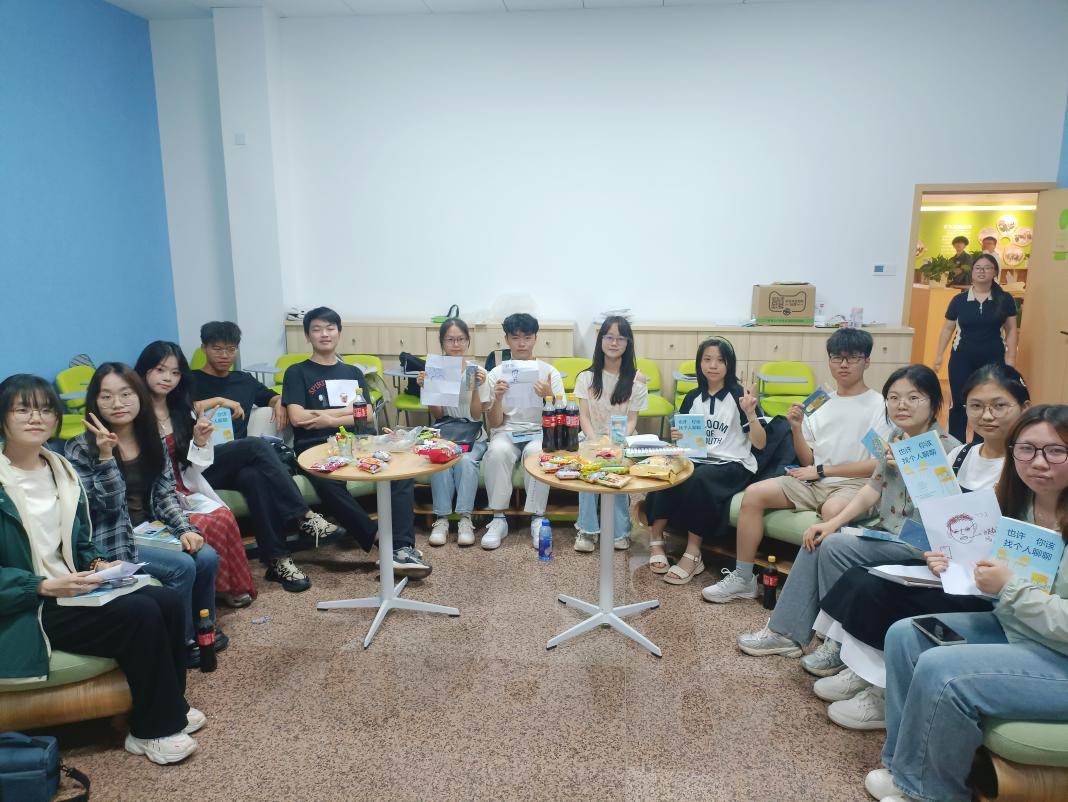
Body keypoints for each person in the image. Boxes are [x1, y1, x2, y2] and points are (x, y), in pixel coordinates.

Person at [863, 403, 1068, 802]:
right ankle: (905, 769)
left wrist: (1008, 588)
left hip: (1059, 654)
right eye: (1026, 449)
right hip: (1023, 631)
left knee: (943, 669)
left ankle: (929, 793)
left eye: (1056, 450)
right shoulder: (1018, 505)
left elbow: (1021, 594)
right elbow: (992, 576)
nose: (1038, 462)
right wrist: (953, 564)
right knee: (907, 635)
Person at [811, 364, 1030, 732]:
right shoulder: (962, 457)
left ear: (1023, 407)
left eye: (999, 405)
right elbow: (938, 519)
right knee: (863, 578)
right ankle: (861, 670)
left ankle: (882, 690)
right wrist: (935, 549)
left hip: (987, 585)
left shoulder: (1024, 466)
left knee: (878, 590)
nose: (987, 415)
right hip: (946, 568)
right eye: (977, 406)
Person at [0, 374, 203, 765]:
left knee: (164, 600)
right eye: (22, 409)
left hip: (72, 586)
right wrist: (41, 586)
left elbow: (78, 539)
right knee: (139, 614)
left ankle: (169, 705)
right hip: (28, 602)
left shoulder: (59, 469)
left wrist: (99, 562)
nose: (36, 418)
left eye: (45, 409)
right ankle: (152, 730)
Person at [736, 365, 959, 665]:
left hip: (922, 545)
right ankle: (786, 633)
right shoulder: (897, 437)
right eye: (894, 398)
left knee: (834, 546)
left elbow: (948, 519)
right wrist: (831, 524)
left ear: (933, 402)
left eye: (913, 397)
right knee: (819, 537)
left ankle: (838, 643)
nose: (902, 405)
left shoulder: (948, 450)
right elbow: (872, 489)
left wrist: (915, 472)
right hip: (887, 533)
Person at [703, 328, 890, 603]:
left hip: (854, 484)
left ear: (867, 361)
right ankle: (743, 578)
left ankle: (823, 593)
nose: (844, 364)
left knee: (833, 510)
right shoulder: (820, 402)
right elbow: (807, 461)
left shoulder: (877, 405)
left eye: (852, 358)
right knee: (754, 494)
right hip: (814, 479)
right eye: (837, 357)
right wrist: (796, 428)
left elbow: (877, 464)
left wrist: (823, 471)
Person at [65, 364, 226, 669]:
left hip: (150, 530)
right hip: (110, 539)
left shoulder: (151, 437)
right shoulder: (79, 447)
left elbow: (165, 493)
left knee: (206, 556)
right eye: (106, 396)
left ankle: (203, 627)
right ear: (94, 402)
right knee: (181, 567)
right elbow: (105, 506)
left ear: (139, 396)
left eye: (126, 394)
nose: (117, 403)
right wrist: (105, 456)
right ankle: (180, 642)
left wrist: (184, 529)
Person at [190, 320, 343, 593]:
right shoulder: (190, 380)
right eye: (217, 349)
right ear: (204, 348)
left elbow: (272, 396)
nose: (225, 355)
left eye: (231, 349)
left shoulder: (244, 380)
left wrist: (278, 403)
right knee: (255, 446)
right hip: (200, 462)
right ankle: (304, 516)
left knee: (254, 477)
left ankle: (278, 560)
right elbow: (177, 409)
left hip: (234, 462)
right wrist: (219, 401)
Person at [281, 306, 431, 578]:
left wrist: (325, 417)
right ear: (307, 336)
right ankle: (380, 542)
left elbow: (367, 413)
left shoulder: (352, 371)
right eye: (317, 329)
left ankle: (402, 547)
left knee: (400, 473)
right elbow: (298, 417)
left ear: (339, 333)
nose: (324, 334)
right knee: (329, 482)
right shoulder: (297, 372)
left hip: (360, 442)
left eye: (330, 328)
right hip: (316, 446)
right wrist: (345, 413)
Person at [135, 341, 256, 608]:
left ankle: (226, 586)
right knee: (201, 522)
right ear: (144, 370)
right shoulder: (134, 411)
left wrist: (200, 441)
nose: (167, 378)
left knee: (222, 515)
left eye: (175, 372)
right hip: (153, 494)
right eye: (160, 370)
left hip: (185, 487)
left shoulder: (182, 410)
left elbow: (194, 468)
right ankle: (204, 591)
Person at [646, 337, 765, 585]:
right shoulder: (692, 397)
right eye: (707, 359)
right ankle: (656, 538)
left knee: (699, 479)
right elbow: (685, 439)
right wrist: (677, 437)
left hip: (732, 463)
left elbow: (761, 443)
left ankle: (693, 553)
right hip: (698, 458)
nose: (713, 365)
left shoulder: (740, 396)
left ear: (729, 364)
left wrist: (751, 413)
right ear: (700, 363)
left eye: (720, 360)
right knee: (667, 469)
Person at [478, 313, 565, 550]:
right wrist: (497, 398)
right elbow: (494, 423)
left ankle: (537, 517)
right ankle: (498, 519)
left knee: (538, 452)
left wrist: (549, 395)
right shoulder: (497, 373)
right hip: (506, 431)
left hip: (539, 432)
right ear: (507, 339)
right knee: (497, 451)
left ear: (536, 338)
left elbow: (561, 419)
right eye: (515, 338)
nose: (522, 343)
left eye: (527, 337)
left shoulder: (549, 372)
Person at [572, 316, 648, 553]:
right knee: (587, 470)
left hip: (622, 439)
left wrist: (617, 444)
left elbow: (632, 419)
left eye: (620, 338)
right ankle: (587, 530)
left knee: (617, 468)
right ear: (601, 340)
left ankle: (619, 531)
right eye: (609, 337)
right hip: (591, 437)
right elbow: (584, 417)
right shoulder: (586, 378)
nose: (614, 343)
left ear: (628, 343)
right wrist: (595, 442)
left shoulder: (636, 381)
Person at [933, 252, 1018, 442]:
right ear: (972, 272)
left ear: (995, 272)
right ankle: (956, 445)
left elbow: (1011, 330)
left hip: (993, 359)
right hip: (962, 358)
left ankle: (982, 445)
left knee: (988, 402)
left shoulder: (1005, 299)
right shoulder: (959, 300)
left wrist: (1011, 359)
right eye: (978, 268)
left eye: (987, 268)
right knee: (959, 403)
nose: (982, 271)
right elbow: (947, 328)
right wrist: (939, 354)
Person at [417, 318, 487, 547]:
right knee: (442, 461)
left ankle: (465, 518)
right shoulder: (436, 371)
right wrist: (427, 388)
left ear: (468, 341)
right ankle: (442, 519)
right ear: (442, 342)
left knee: (465, 461)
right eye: (450, 340)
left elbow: (476, 415)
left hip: (472, 434)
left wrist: (476, 389)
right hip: (445, 433)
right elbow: (438, 415)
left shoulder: (478, 372)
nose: (456, 344)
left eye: (460, 339)